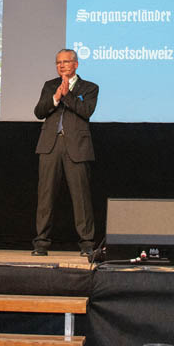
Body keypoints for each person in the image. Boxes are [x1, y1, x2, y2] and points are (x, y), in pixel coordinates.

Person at [32, 48, 99, 256]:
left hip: (76, 147)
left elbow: (86, 111)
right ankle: (41, 244)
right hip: (50, 146)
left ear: (75, 64)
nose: (61, 65)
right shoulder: (49, 85)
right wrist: (55, 97)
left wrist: (67, 95)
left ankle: (87, 244)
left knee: (81, 197)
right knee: (45, 197)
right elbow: (39, 112)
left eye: (66, 62)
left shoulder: (89, 87)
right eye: (58, 62)